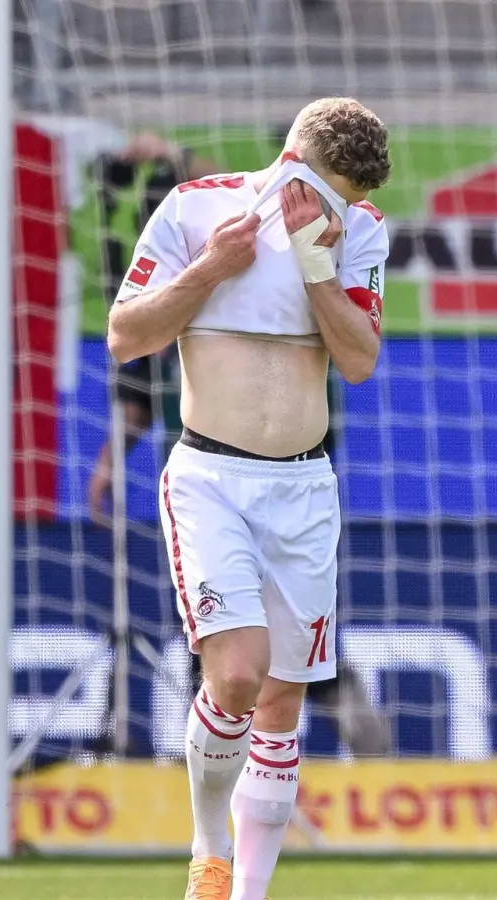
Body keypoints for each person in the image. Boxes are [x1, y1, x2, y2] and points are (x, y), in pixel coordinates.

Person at [105, 98, 391, 900]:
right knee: (235, 672)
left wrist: (316, 266)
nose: (334, 210)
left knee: (281, 699)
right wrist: (209, 272)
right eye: (324, 191)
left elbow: (360, 360)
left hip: (303, 483)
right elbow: (127, 334)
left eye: (344, 199)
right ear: (293, 162)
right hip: (211, 477)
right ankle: (206, 849)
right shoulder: (197, 209)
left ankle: (249, 892)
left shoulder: (357, 230)